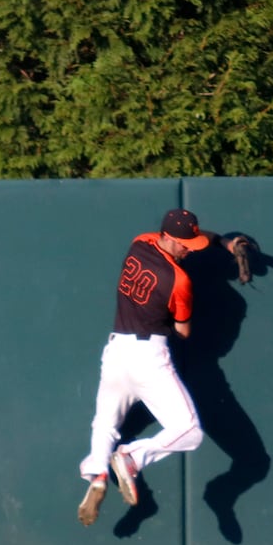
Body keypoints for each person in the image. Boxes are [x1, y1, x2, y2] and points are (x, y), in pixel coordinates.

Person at [77, 208, 213, 527]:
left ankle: (97, 472)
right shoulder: (179, 279)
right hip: (148, 356)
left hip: (116, 350)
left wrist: (226, 243)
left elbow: (194, 239)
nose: (187, 250)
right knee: (190, 432)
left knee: (105, 423)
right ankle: (133, 458)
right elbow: (183, 331)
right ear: (166, 236)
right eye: (183, 244)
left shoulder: (139, 243)